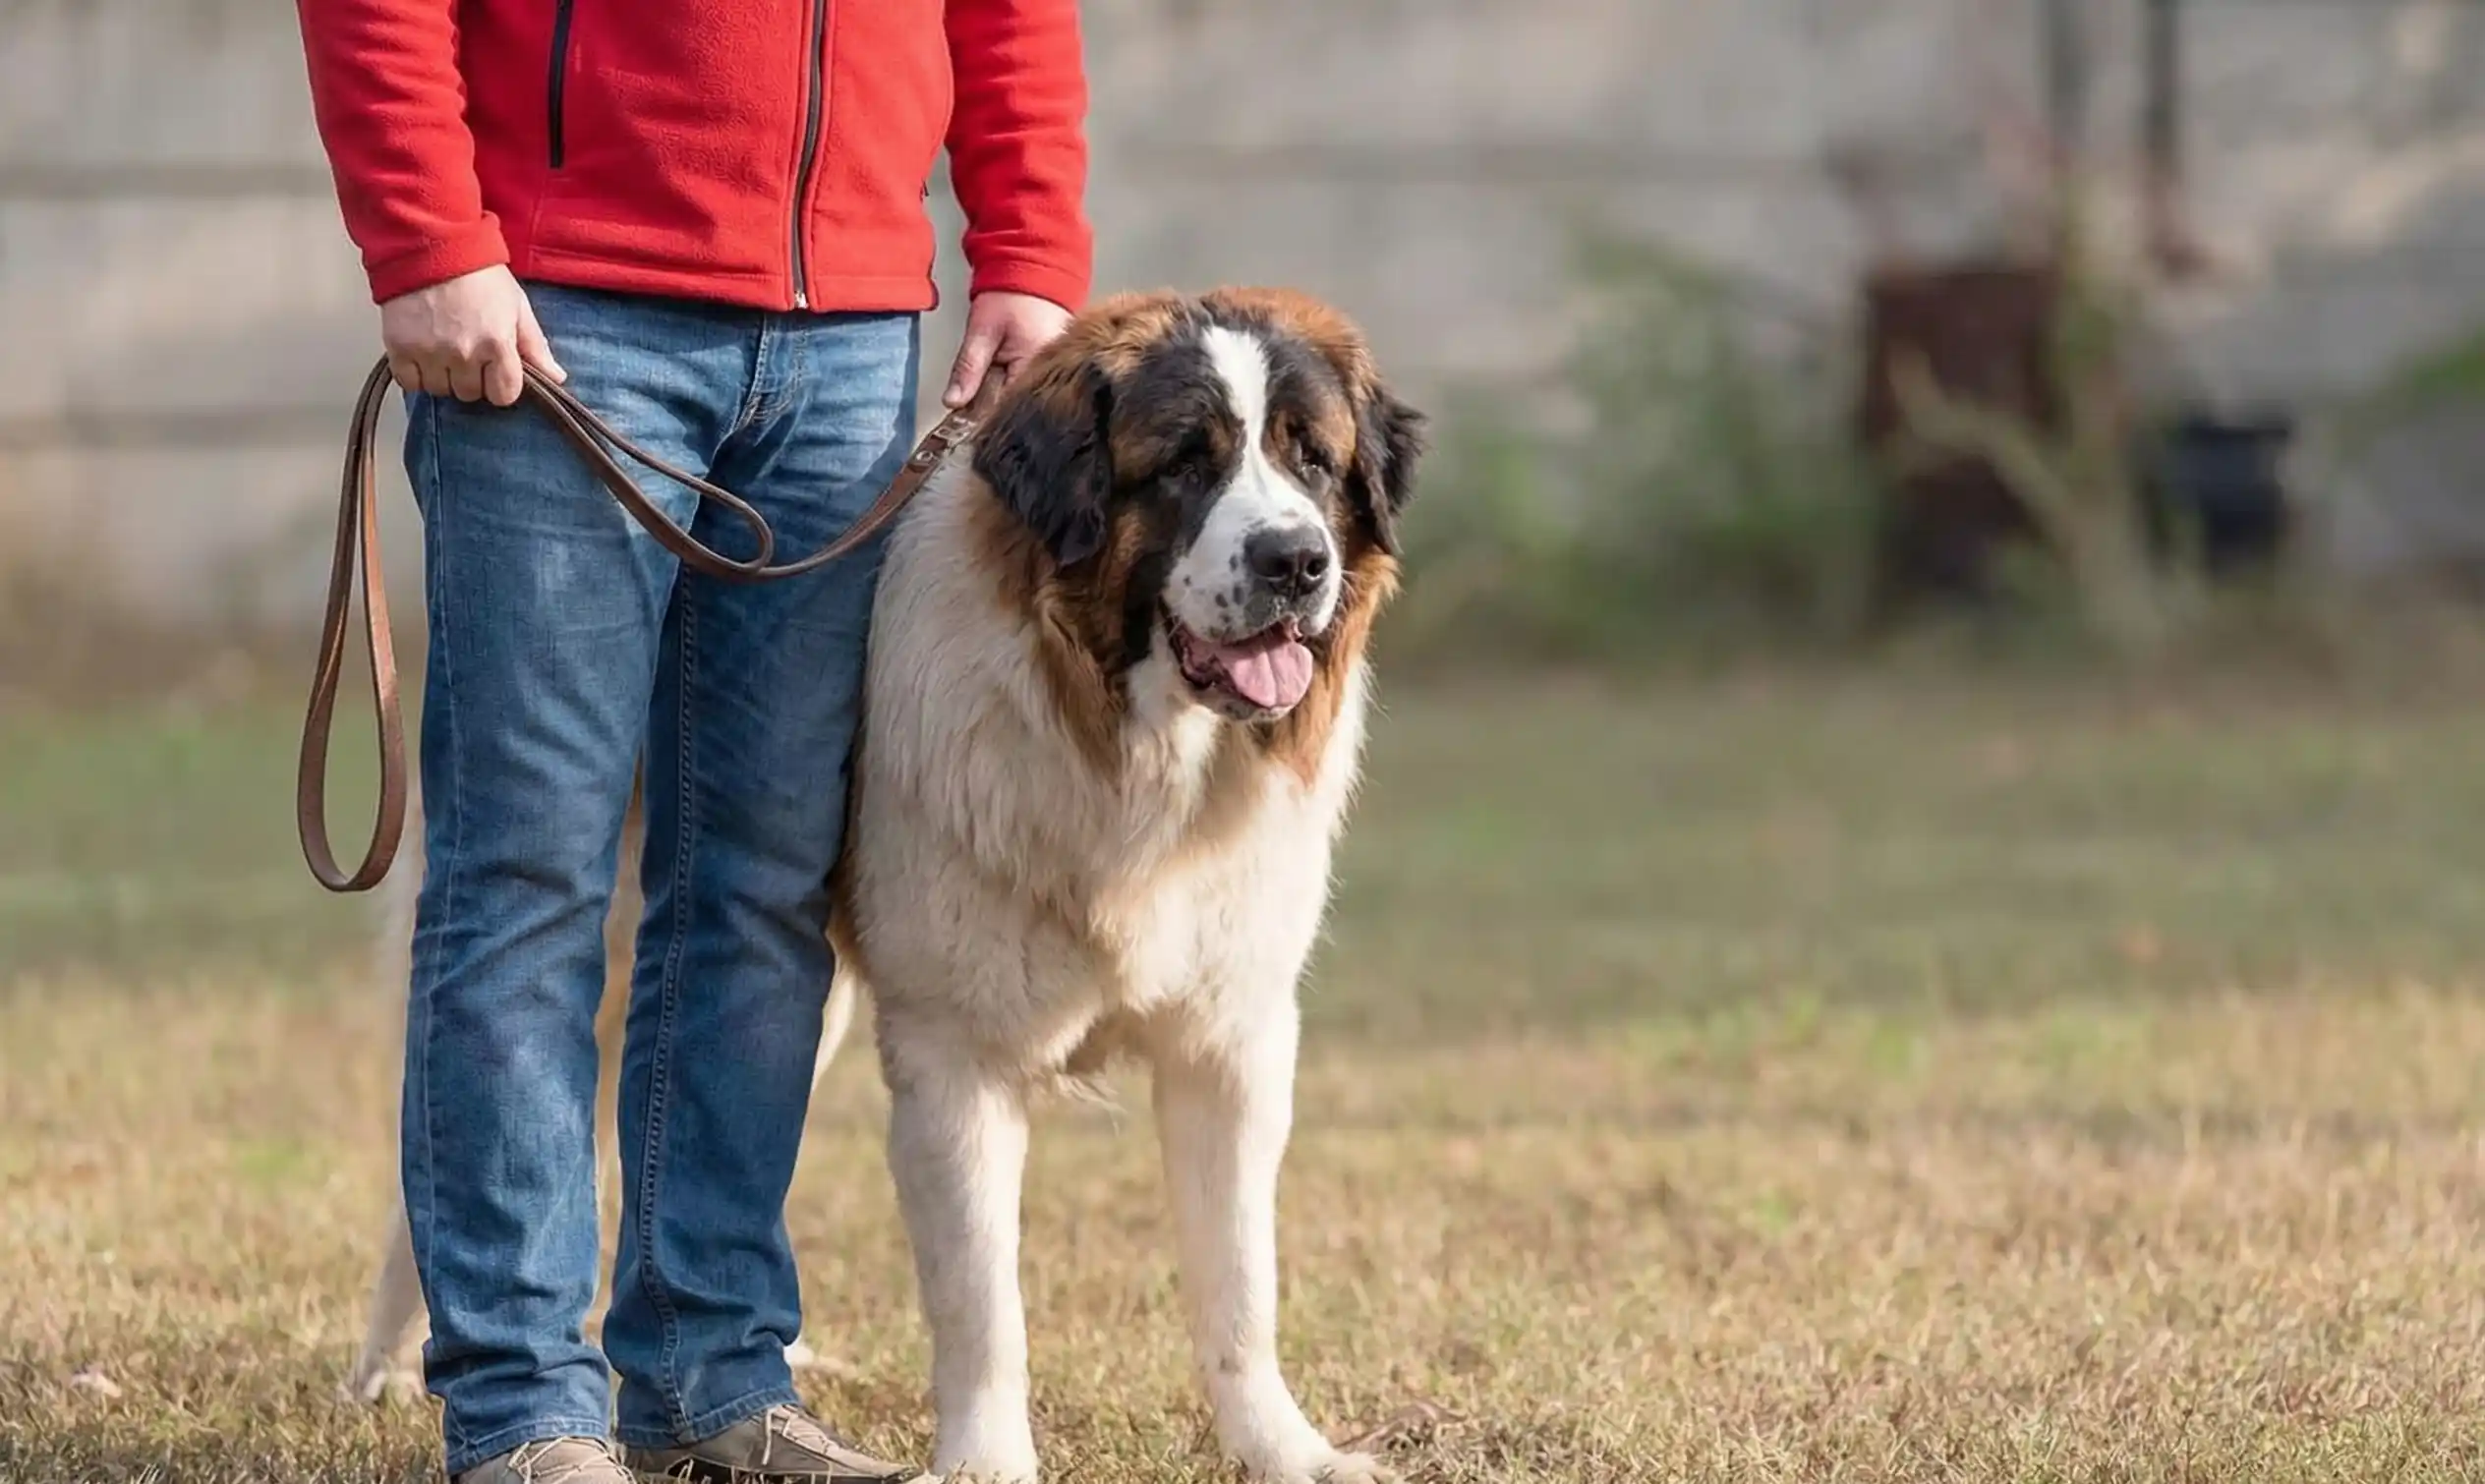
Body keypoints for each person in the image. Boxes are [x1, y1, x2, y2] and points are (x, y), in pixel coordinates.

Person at [292, 0, 1091, 1477]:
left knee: (765, 885)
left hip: (852, 329)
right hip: (554, 311)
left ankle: (707, 1371)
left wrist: (1031, 249)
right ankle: (528, 1406)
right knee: (527, 882)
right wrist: (427, 236)